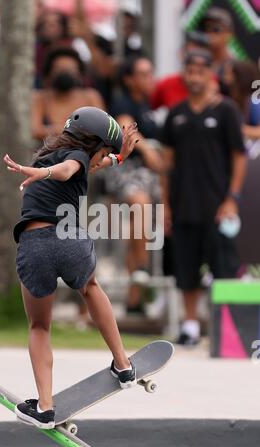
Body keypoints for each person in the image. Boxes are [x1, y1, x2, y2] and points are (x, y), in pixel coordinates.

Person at [3, 107, 139, 429]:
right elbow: (70, 169)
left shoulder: (54, 156)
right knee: (91, 289)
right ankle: (123, 365)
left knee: (39, 327)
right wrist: (47, 174)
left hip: (36, 246)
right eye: (103, 153)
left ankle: (45, 407)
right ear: (92, 144)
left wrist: (118, 157)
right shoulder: (75, 158)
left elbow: (75, 166)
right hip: (69, 238)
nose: (102, 159)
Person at [161, 50, 247, 346]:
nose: (195, 76)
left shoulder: (226, 111)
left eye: (201, 70)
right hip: (184, 203)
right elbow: (166, 165)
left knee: (223, 267)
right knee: (186, 268)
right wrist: (166, 205)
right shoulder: (175, 114)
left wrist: (232, 197)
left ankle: (227, 328)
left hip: (217, 204)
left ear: (210, 73)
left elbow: (239, 157)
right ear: (185, 73)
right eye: (190, 70)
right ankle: (190, 327)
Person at [108, 55, 163, 316]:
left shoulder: (151, 106)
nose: (148, 79)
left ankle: (134, 300)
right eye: (142, 74)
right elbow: (124, 126)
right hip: (127, 170)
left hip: (152, 176)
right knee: (140, 206)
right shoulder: (123, 101)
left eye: (150, 73)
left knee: (140, 228)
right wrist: (147, 148)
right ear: (129, 79)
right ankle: (141, 269)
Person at [32, 47, 104, 141]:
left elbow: (101, 129)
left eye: (70, 69)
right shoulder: (39, 98)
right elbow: (35, 131)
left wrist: (54, 130)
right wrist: (79, 131)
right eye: (59, 69)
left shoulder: (91, 97)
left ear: (79, 73)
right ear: (49, 73)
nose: (65, 73)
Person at [197, 7, 234, 93]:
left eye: (216, 29)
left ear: (229, 34)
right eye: (205, 29)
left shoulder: (235, 68)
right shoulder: (197, 64)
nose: (209, 33)